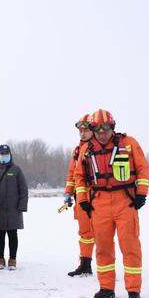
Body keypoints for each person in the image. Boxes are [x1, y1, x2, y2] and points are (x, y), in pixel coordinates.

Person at [74, 110, 149, 298]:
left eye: (105, 128)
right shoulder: (86, 150)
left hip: (125, 202)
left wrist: (141, 193)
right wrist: (83, 200)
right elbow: (79, 176)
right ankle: (106, 287)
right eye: (97, 129)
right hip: (99, 204)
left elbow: (142, 168)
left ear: (112, 127)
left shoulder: (129, 144)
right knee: (103, 248)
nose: (102, 133)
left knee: (130, 246)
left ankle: (133, 290)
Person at [0, 144, 28, 271]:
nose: (4, 156)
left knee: (12, 235)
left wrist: (22, 206)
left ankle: (12, 260)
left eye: (6, 153)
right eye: (2, 154)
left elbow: (23, 189)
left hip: (13, 209)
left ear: (10, 154)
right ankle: (0, 259)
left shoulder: (16, 170)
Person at [65, 114, 95, 277]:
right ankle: (85, 264)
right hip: (81, 198)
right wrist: (68, 193)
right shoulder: (77, 151)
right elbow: (72, 173)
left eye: (86, 130)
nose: (82, 134)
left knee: (102, 234)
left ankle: (106, 267)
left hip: (98, 197)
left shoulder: (99, 148)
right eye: (80, 131)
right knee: (85, 233)